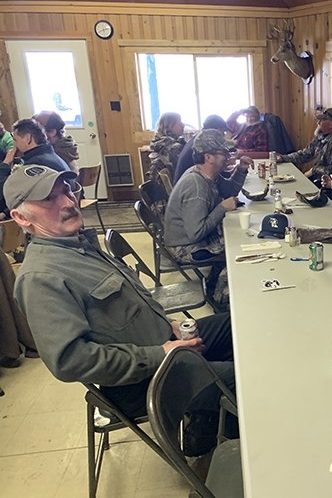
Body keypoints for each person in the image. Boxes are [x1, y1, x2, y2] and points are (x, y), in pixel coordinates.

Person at [5, 165, 235, 455]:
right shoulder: (41, 278)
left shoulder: (79, 245)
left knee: (234, 325)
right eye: (49, 199)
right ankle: (231, 443)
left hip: (166, 344)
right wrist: (161, 353)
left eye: (65, 190)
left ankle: (209, 421)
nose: (67, 202)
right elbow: (70, 362)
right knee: (246, 377)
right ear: (20, 217)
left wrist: (170, 324)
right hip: (143, 381)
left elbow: (133, 302)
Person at [164, 129, 253, 304]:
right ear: (208, 157)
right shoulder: (196, 186)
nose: (228, 156)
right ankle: (220, 300)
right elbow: (195, 233)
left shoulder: (205, 173)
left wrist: (241, 170)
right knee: (238, 246)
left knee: (240, 237)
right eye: (223, 152)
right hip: (184, 247)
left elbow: (228, 191)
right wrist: (221, 208)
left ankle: (216, 285)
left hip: (193, 237)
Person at [277, 108, 332, 183]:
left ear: (331, 124)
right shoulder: (320, 138)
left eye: (322, 120)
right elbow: (304, 154)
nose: (318, 122)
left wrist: (314, 170)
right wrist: (282, 158)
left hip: (328, 186)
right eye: (318, 120)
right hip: (317, 180)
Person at [173, 114, 232, 184]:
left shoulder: (198, 140)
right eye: (223, 132)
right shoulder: (201, 146)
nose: (223, 136)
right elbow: (222, 188)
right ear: (215, 131)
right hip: (192, 187)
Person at [148, 112, 185, 182]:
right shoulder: (174, 147)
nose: (183, 125)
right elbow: (183, 172)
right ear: (169, 126)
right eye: (179, 123)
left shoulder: (159, 143)